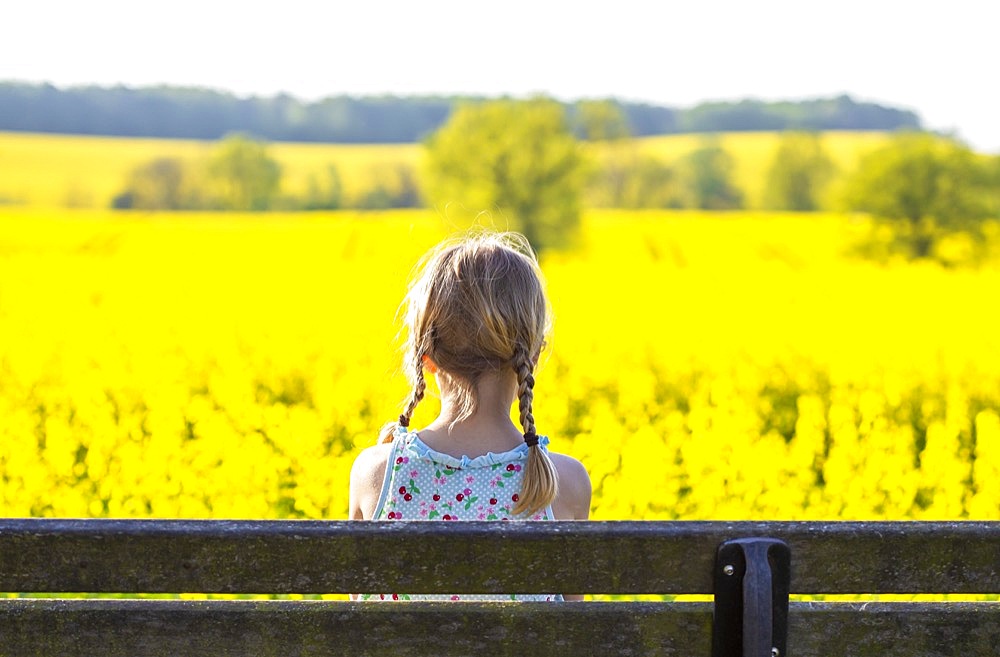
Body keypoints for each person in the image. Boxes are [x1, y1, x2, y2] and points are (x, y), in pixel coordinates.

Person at [349, 231, 591, 601]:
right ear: (535, 356)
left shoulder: (375, 474)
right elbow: (575, 636)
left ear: (425, 358)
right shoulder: (565, 483)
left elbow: (356, 622)